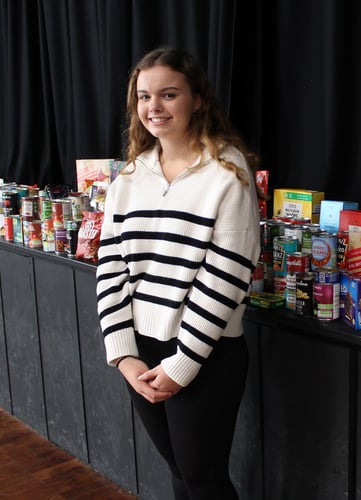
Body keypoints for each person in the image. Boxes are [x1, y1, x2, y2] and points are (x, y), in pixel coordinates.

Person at [96, 47, 261, 500]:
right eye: (144, 96)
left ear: (197, 100)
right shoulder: (128, 178)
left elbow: (226, 277)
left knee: (203, 480)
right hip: (141, 353)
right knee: (179, 472)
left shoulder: (228, 173)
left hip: (206, 353)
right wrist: (123, 355)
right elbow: (111, 269)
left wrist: (183, 363)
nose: (154, 107)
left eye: (168, 94)